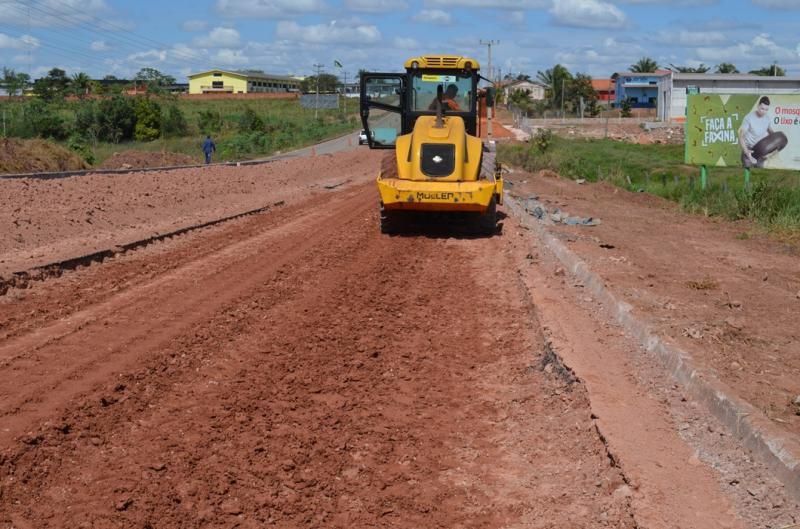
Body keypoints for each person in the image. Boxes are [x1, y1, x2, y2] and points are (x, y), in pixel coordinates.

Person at [738, 96, 773, 168]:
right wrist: (746, 151)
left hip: (760, 149)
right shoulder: (749, 118)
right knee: (747, 172)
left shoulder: (767, 118)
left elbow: (771, 132)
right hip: (749, 149)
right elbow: (741, 136)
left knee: (759, 172)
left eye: (766, 109)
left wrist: (776, 141)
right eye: (762, 108)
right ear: (758, 106)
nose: (763, 111)